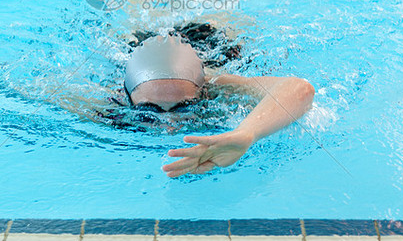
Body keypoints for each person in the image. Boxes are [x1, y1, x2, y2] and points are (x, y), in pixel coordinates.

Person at [124, 31, 315, 178]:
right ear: (126, 97)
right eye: (147, 110)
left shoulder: (219, 89)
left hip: (206, 39)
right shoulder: (104, 108)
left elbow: (301, 88)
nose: (170, 126)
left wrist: (246, 133)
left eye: (184, 107)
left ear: (204, 91)